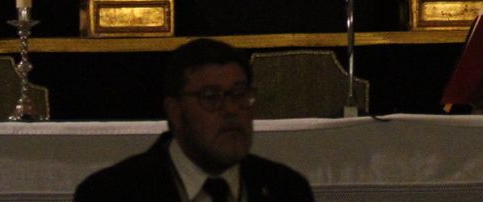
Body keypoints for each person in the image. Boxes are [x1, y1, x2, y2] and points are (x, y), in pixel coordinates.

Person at [74, 38, 315, 202]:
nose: (232, 109)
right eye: (212, 97)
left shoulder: (287, 190)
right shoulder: (113, 194)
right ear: (175, 110)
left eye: (240, 94)